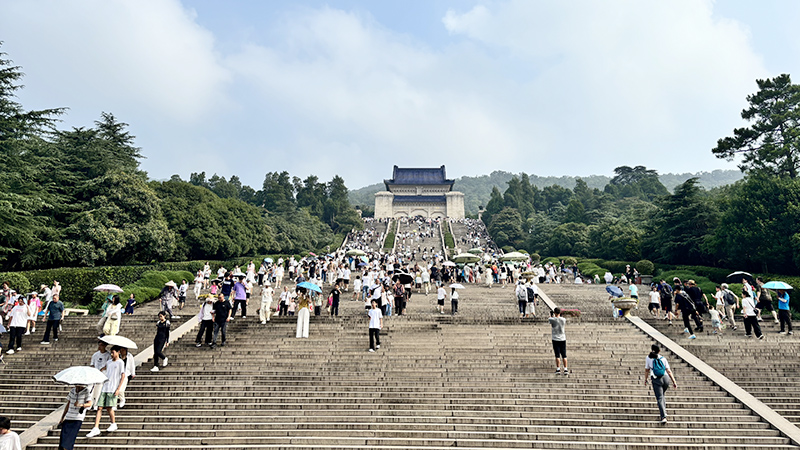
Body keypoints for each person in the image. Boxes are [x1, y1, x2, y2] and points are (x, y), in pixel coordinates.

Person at [86, 345, 125, 437]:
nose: (111, 354)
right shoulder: (109, 362)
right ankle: (96, 428)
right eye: (111, 352)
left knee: (109, 407)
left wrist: (118, 389)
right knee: (99, 407)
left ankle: (113, 423)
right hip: (105, 387)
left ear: (118, 352)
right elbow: (103, 369)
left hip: (113, 388)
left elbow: (122, 376)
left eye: (113, 352)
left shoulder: (120, 363)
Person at [644, 344, 677, 424]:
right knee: (662, 395)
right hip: (666, 378)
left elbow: (646, 370)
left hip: (656, 379)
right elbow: (668, 371)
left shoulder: (648, 358)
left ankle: (663, 417)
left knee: (659, 397)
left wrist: (645, 379)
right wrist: (674, 381)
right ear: (659, 351)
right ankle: (664, 411)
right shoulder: (663, 358)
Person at [57, 384, 92, 450]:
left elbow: (89, 404)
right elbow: (68, 404)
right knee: (62, 441)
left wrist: (80, 405)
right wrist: (62, 417)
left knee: (69, 440)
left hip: (77, 418)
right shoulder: (72, 390)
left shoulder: (86, 391)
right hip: (68, 417)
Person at [89, 341, 110, 410]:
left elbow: (108, 365)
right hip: (94, 375)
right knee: (92, 390)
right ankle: (90, 403)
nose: (100, 347)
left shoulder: (108, 355)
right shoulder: (95, 355)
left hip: (102, 375)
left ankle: (96, 404)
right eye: (99, 345)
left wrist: (103, 369)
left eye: (101, 345)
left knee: (98, 391)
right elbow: (92, 364)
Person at [549, 307, 568, 375]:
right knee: (564, 355)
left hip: (555, 338)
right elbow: (561, 319)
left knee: (557, 355)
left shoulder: (552, 319)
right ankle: (565, 369)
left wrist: (551, 315)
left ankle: (558, 368)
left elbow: (550, 320)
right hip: (562, 338)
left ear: (554, 313)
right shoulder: (563, 320)